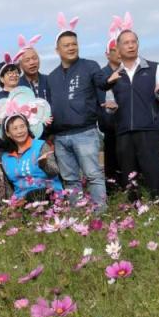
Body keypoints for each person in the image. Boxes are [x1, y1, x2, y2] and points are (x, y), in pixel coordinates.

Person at [45, 15, 110, 210]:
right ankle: (79, 215)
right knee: (70, 179)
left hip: (85, 132)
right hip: (61, 136)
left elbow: (102, 83)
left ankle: (100, 214)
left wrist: (110, 81)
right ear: (58, 50)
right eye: (66, 45)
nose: (71, 47)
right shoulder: (52, 77)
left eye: (74, 44)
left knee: (93, 175)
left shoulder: (90, 66)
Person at [105, 27, 159, 201]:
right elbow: (109, 102)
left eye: (133, 42)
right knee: (129, 175)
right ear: (118, 49)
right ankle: (135, 210)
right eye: (126, 43)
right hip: (124, 131)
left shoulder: (153, 68)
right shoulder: (115, 75)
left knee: (154, 171)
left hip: (150, 128)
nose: (130, 46)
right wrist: (110, 108)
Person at [0, 114, 63, 202]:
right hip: (22, 201)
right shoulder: (5, 158)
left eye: (22, 126)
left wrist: (43, 164)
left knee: (35, 194)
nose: (20, 131)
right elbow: (9, 186)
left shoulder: (41, 145)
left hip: (48, 195)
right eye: (15, 128)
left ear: (27, 128)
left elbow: (54, 172)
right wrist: (11, 207)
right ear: (8, 133)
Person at [99, 34, 123, 195]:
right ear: (107, 53)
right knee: (112, 165)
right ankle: (113, 196)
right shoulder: (101, 75)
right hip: (110, 127)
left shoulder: (129, 71)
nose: (118, 53)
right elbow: (99, 103)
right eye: (114, 50)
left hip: (129, 125)